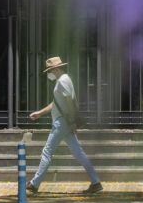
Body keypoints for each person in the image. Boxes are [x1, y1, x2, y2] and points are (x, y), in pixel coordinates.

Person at [27, 56, 102, 195]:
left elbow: (70, 102)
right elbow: (57, 103)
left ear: (55, 69)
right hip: (65, 122)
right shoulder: (62, 81)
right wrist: (40, 113)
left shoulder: (62, 81)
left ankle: (34, 184)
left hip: (62, 122)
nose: (49, 73)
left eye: (50, 70)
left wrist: (72, 121)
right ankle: (96, 182)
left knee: (47, 152)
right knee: (79, 153)